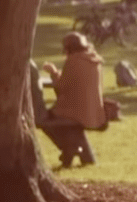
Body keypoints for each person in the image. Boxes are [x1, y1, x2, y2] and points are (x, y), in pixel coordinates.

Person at [38, 32, 106, 168]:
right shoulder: (95, 60)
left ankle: (68, 149)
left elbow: (61, 86)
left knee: (43, 120)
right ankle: (84, 156)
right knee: (71, 127)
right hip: (95, 111)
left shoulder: (73, 60)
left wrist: (53, 72)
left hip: (76, 111)